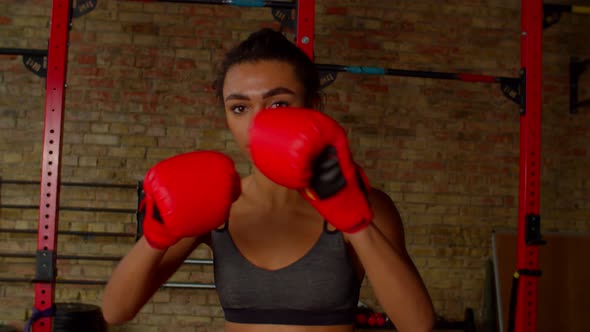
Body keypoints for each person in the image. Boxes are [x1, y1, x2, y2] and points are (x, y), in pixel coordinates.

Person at [101, 28, 435, 332]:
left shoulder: (366, 203)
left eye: (277, 103)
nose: (257, 123)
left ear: (313, 107)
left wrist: (355, 223)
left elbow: (417, 324)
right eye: (239, 108)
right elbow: (115, 311)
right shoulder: (217, 203)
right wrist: (155, 235)